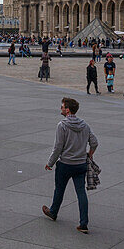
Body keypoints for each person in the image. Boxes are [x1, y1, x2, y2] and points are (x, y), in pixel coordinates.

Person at [42, 98, 97, 234]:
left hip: (65, 164)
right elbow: (94, 142)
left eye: (62, 107)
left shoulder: (62, 126)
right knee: (81, 192)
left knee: (59, 189)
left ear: (67, 110)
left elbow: (58, 147)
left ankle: (53, 212)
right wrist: (89, 154)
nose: (60, 109)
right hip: (80, 164)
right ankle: (83, 223)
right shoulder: (84, 125)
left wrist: (50, 163)